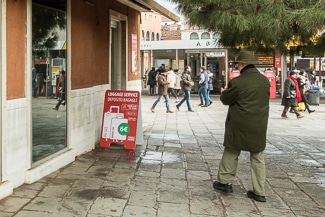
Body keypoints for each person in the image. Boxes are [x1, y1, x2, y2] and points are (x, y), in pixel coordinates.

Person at [213, 50, 270, 203]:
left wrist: (224, 92)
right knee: (257, 155)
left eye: (238, 63)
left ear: (243, 64)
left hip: (239, 123)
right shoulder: (264, 81)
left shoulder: (238, 82)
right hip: (258, 123)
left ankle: (224, 183)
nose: (237, 66)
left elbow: (226, 99)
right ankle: (259, 192)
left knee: (232, 150)